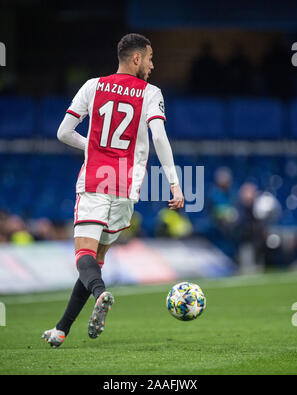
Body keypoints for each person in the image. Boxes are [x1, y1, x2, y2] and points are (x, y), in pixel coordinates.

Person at [42, 33, 184, 348]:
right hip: (126, 182)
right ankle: (62, 329)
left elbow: (64, 132)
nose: (152, 64)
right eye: (149, 58)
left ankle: (100, 292)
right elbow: (159, 137)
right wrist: (173, 182)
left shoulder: (92, 86)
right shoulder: (151, 93)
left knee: (83, 255)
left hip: (95, 177)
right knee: (98, 257)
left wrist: (91, 149)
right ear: (136, 59)